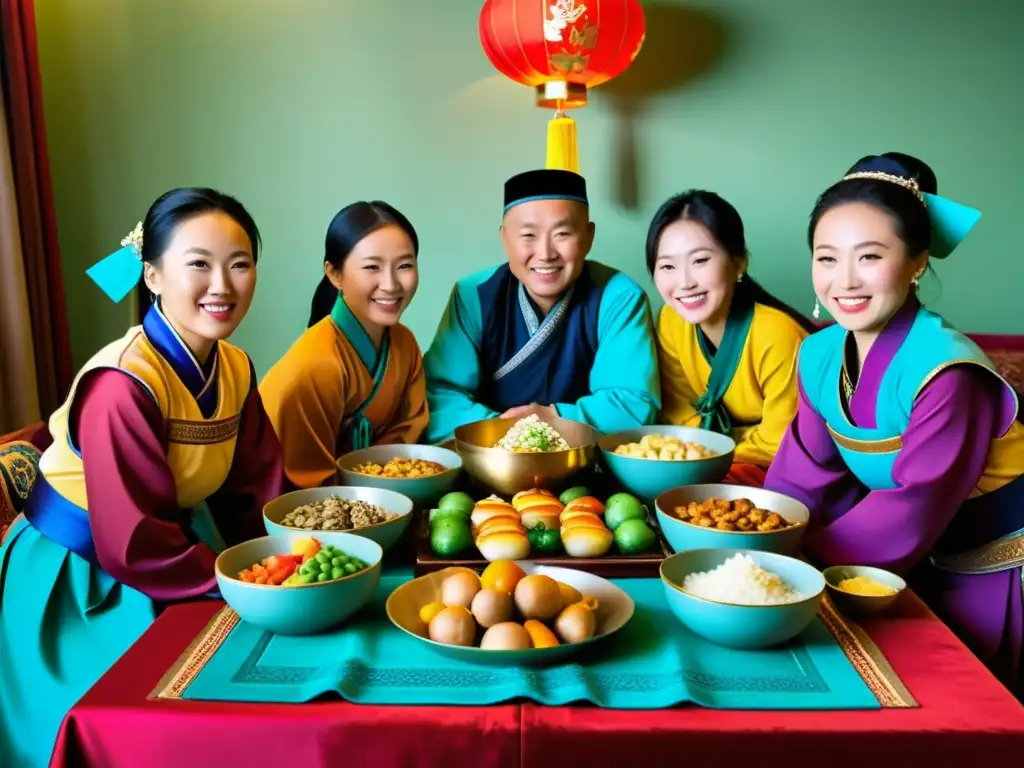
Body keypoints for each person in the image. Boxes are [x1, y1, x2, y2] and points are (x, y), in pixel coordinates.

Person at [0, 188, 285, 767]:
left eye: (240, 264)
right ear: (153, 275)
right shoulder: (122, 383)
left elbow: (254, 486)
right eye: (198, 264)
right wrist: (241, 586)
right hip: (83, 575)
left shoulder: (233, 364)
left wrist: (287, 557)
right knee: (146, 725)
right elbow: (132, 538)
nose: (222, 286)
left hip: (174, 547)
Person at [764, 152, 1024, 694]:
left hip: (1000, 563)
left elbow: (914, 506)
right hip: (910, 560)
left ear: (918, 261)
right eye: (827, 258)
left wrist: (792, 570)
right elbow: (805, 477)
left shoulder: (948, 370)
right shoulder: (818, 354)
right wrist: (766, 539)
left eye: (870, 256)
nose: (845, 280)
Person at [423, 169, 660, 443]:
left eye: (562, 234)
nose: (546, 254)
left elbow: (633, 402)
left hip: (587, 464)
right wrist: (510, 434)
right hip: (489, 458)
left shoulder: (619, 297)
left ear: (589, 236)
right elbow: (438, 395)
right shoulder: (473, 294)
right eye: (528, 235)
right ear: (505, 239)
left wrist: (556, 419)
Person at [649, 190, 815, 486]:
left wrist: (707, 450)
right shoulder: (671, 319)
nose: (684, 282)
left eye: (700, 260)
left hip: (779, 468)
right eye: (667, 266)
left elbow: (779, 442)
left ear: (739, 263)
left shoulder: (778, 334)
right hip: (709, 458)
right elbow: (677, 413)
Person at [260, 201, 427, 488]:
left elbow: (406, 446)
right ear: (334, 273)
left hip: (382, 499)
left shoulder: (404, 344)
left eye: (404, 265)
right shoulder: (312, 366)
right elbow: (306, 482)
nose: (390, 284)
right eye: (372, 267)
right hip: (299, 510)